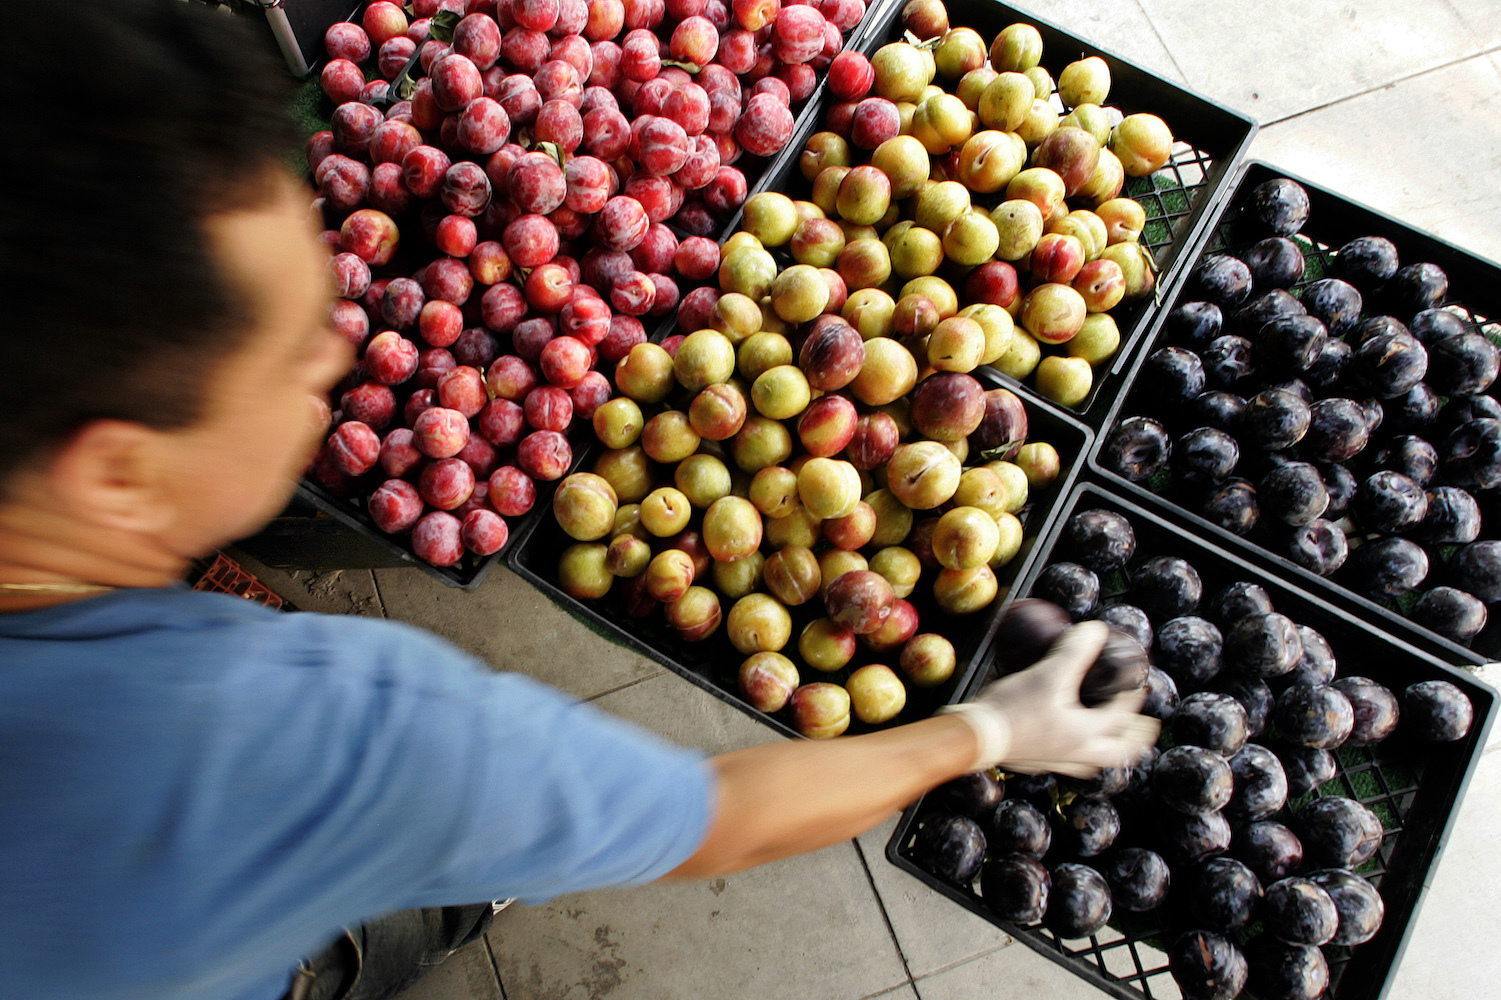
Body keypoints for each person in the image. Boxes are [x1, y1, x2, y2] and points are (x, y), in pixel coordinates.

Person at [0, 3, 1159, 999]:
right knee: (403, 885)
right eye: (288, 351)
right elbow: (718, 815)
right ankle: (442, 893)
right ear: (117, 468)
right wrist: (989, 730)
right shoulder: (304, 739)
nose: (332, 364)